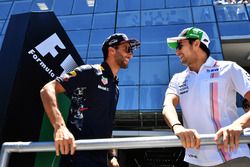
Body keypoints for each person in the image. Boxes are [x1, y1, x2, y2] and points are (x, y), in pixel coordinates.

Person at [40, 33, 140, 167]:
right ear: (111, 50)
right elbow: (47, 89)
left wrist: (112, 156)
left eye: (132, 50)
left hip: (99, 160)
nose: (131, 54)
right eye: (127, 49)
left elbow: (107, 126)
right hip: (76, 157)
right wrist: (60, 127)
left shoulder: (115, 88)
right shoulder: (90, 72)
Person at [162, 27, 250, 166]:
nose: (177, 51)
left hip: (232, 155)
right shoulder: (178, 78)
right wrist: (177, 127)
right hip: (196, 160)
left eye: (180, 46)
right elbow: (168, 106)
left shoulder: (229, 68)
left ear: (196, 44)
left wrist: (238, 124)